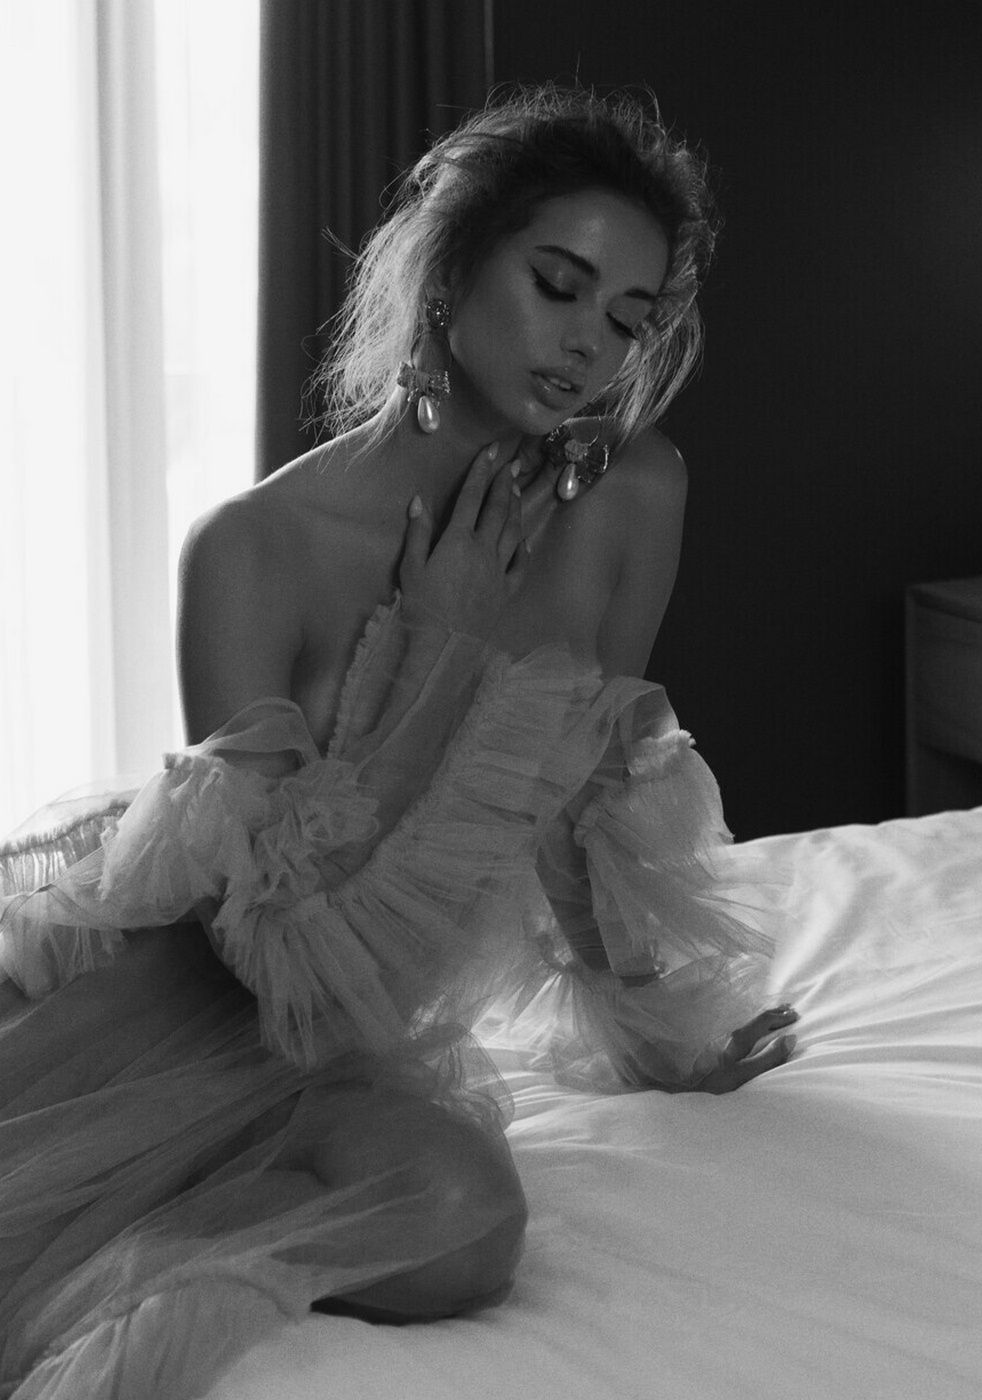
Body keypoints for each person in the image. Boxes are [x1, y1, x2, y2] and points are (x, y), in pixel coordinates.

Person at [0, 85, 797, 1399]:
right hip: (168, 1013)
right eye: (557, 284)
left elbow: (588, 790)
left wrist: (662, 1034)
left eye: (627, 317)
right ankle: (91, 1229)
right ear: (450, 268)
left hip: (334, 1060)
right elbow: (268, 952)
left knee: (467, 1222)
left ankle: (154, 1253)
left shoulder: (633, 493)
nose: (588, 344)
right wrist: (432, 652)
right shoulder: (255, 547)